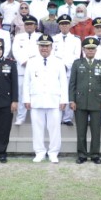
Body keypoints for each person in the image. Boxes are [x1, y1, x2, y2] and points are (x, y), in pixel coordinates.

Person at [23, 34, 69, 163]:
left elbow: (63, 82)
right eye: (42, 46)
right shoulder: (31, 61)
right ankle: (39, 152)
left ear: (51, 47)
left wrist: (63, 100)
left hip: (54, 100)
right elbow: (27, 82)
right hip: (36, 100)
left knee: (54, 129)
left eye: (47, 46)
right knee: (37, 129)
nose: (44, 48)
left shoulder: (59, 61)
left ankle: (53, 152)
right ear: (38, 46)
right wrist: (26, 99)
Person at [69, 37, 101, 164]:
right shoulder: (77, 63)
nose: (90, 51)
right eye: (88, 49)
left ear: (96, 50)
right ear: (83, 49)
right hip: (80, 101)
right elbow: (72, 84)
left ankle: (95, 154)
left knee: (96, 131)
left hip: (96, 102)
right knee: (81, 130)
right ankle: (81, 154)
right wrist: (72, 100)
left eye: (93, 49)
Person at [12, 15, 41, 125]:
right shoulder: (19, 37)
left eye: (31, 24)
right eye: (27, 24)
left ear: (35, 26)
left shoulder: (40, 37)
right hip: (22, 70)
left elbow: (42, 52)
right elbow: (15, 51)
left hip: (36, 70)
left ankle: (36, 117)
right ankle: (20, 117)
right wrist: (24, 61)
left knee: (35, 93)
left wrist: (32, 63)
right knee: (21, 94)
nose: (28, 26)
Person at [53, 14, 81, 126]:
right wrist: (60, 66)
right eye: (62, 24)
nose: (64, 26)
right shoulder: (54, 39)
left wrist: (66, 65)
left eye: (66, 24)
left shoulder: (76, 40)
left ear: (70, 25)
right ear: (59, 26)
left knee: (70, 92)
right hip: (56, 70)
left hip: (70, 70)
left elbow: (76, 56)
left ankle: (67, 117)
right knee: (58, 93)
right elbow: (52, 55)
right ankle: (58, 116)